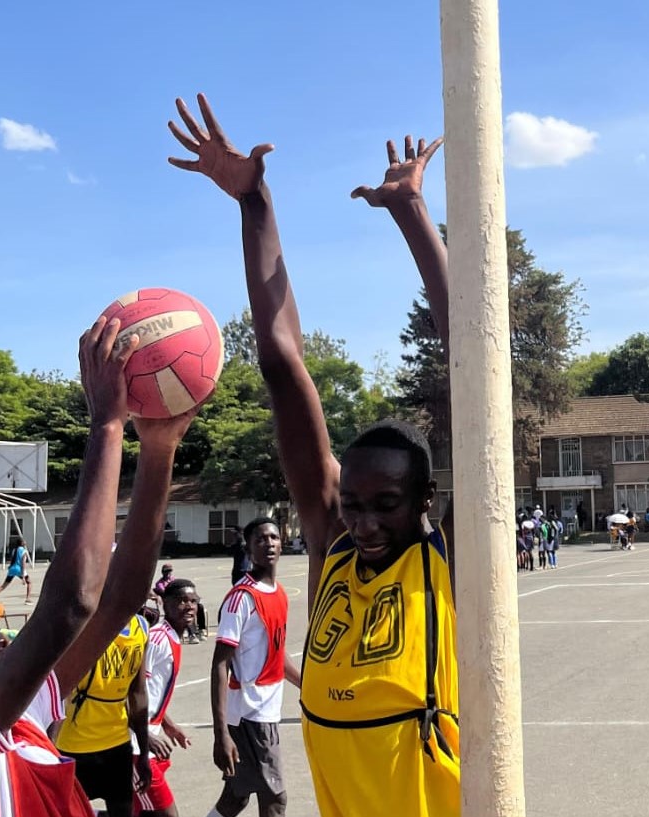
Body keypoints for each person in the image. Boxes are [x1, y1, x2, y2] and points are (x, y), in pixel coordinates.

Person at [169, 94, 460, 817]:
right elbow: (279, 358)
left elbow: (475, 365)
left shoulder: (446, 561)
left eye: (385, 504)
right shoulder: (332, 544)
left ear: (425, 501)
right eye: (352, 502)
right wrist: (254, 204)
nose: (361, 521)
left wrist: (411, 216)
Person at [0, 317, 195, 817]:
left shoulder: (21, 722)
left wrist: (158, 449)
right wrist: (107, 425)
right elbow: (71, 605)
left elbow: (117, 603)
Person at [210, 519, 300, 817]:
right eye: (260, 539)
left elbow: (277, 656)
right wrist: (220, 733)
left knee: (237, 796)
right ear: (248, 548)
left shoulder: (279, 593)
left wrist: (311, 687)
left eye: (274, 537)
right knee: (275, 798)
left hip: (266, 711)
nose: (269, 543)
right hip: (250, 715)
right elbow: (220, 664)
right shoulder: (241, 599)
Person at [55, 610, 151, 817]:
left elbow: (138, 692)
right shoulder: (86, 624)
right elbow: (58, 690)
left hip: (117, 745)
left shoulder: (141, 627)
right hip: (74, 745)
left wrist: (144, 753)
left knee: (123, 811)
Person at [135, 579, 200, 817]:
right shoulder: (157, 639)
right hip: (136, 744)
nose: (189, 606)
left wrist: (169, 725)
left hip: (147, 736)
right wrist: (146, 737)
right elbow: (129, 691)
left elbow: (151, 693)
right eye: (181, 601)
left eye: (193, 601)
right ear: (165, 604)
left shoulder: (172, 638)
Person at [0, 538, 34, 604]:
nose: (25, 542)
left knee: (3, 586)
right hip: (19, 569)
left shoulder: (14, 550)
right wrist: (23, 576)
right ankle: (27, 599)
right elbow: (23, 563)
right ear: (22, 543)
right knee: (29, 582)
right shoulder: (24, 551)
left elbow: (13, 559)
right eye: (24, 541)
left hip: (12, 569)